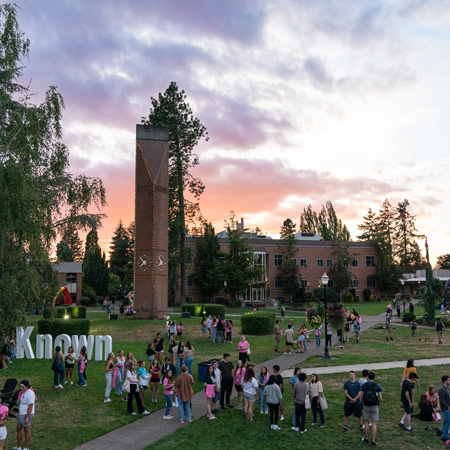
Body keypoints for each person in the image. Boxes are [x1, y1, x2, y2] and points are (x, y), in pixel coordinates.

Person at [361, 371, 382, 446]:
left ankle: (366, 438)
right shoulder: (377, 386)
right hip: (375, 406)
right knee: (374, 424)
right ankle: (373, 441)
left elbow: (361, 397)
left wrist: (363, 403)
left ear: (367, 377)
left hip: (366, 405)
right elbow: (380, 398)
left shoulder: (364, 386)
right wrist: (379, 404)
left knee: (366, 422)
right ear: (374, 377)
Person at [15, 380, 35, 450]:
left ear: (27, 387)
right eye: (20, 387)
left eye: (23, 387)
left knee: (26, 431)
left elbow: (30, 406)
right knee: (18, 429)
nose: (21, 388)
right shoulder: (22, 392)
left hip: (26, 414)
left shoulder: (30, 394)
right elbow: (21, 404)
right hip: (21, 413)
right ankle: (18, 447)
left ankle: (26, 447)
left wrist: (27, 417)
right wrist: (18, 412)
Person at [438, 375, 450, 442]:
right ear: (445, 381)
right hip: (446, 408)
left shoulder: (447, 388)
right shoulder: (442, 389)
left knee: (446, 421)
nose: (449, 381)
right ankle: (445, 436)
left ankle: (444, 434)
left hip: (448, 407)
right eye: (449, 380)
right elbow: (442, 400)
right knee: (448, 421)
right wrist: (447, 407)